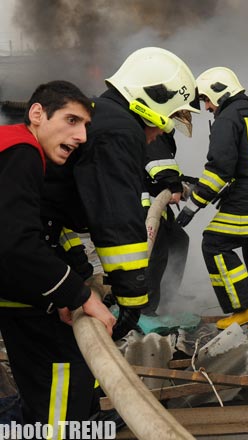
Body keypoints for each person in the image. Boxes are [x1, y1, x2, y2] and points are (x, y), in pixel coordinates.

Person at [41, 46, 199, 342]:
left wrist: (78, 263)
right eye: (169, 117)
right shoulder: (120, 130)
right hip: (24, 255)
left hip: (30, 248)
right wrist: (131, 297)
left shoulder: (103, 115)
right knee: (63, 363)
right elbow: (113, 217)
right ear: (151, 102)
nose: (162, 132)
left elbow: (53, 203)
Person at [0, 80, 116, 425]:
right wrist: (79, 295)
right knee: (61, 387)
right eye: (71, 120)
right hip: (17, 303)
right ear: (37, 114)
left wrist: (60, 295)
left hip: (12, 297)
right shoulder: (22, 152)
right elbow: (15, 242)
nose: (80, 135)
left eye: (85, 126)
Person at [177, 67, 248, 339]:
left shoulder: (227, 119)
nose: (206, 107)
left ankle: (244, 309)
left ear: (220, 91)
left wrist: (193, 204)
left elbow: (219, 169)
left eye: (206, 99)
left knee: (214, 243)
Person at [142, 131, 190, 315]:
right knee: (157, 251)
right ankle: (145, 308)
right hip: (144, 203)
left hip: (156, 201)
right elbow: (159, 165)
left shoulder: (161, 132)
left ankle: (168, 296)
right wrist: (175, 186)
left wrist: (195, 184)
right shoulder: (154, 129)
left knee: (179, 241)